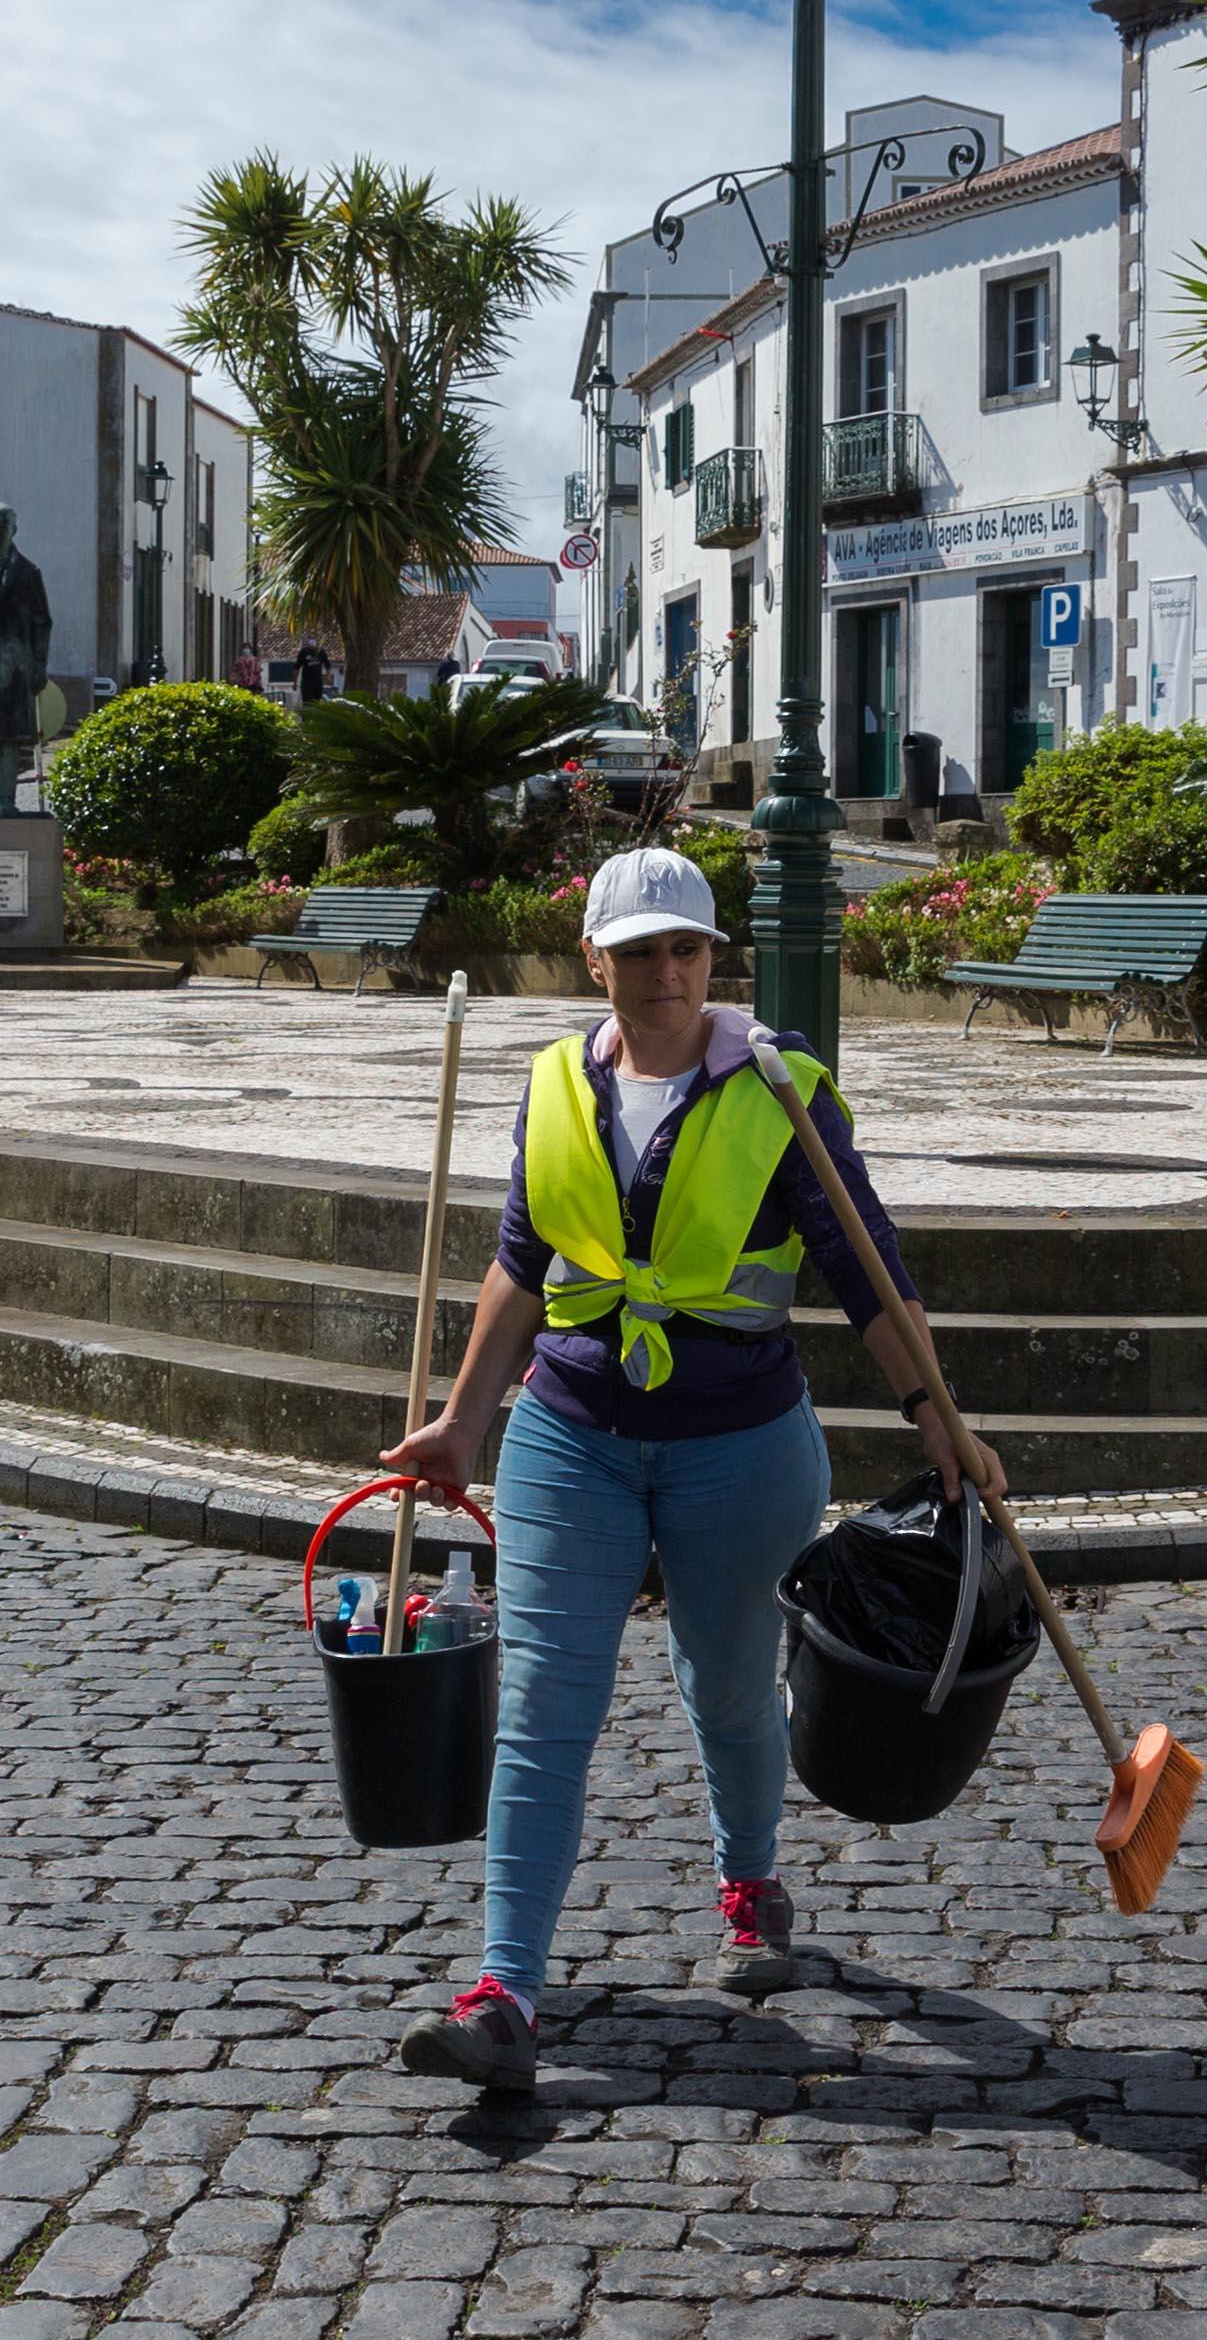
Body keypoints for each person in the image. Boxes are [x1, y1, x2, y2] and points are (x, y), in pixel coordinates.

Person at [377, 844, 999, 2096]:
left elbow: (868, 1270)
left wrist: (934, 1415)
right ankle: (503, 1992)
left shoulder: (783, 1090)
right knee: (545, 1708)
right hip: (568, 1435)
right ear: (591, 959)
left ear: (715, 958)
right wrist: (461, 1421)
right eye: (641, 949)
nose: (667, 971)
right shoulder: (553, 1083)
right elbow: (520, 1260)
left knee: (725, 1687)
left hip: (741, 1443)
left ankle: (749, 1876)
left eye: (688, 948)